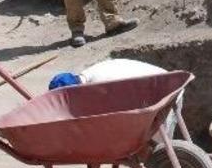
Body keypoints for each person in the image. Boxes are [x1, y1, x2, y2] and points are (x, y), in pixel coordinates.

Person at [48, 58, 184, 141]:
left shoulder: (100, 86)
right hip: (171, 83)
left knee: (161, 153)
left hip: (165, 94)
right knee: (158, 149)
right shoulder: (91, 73)